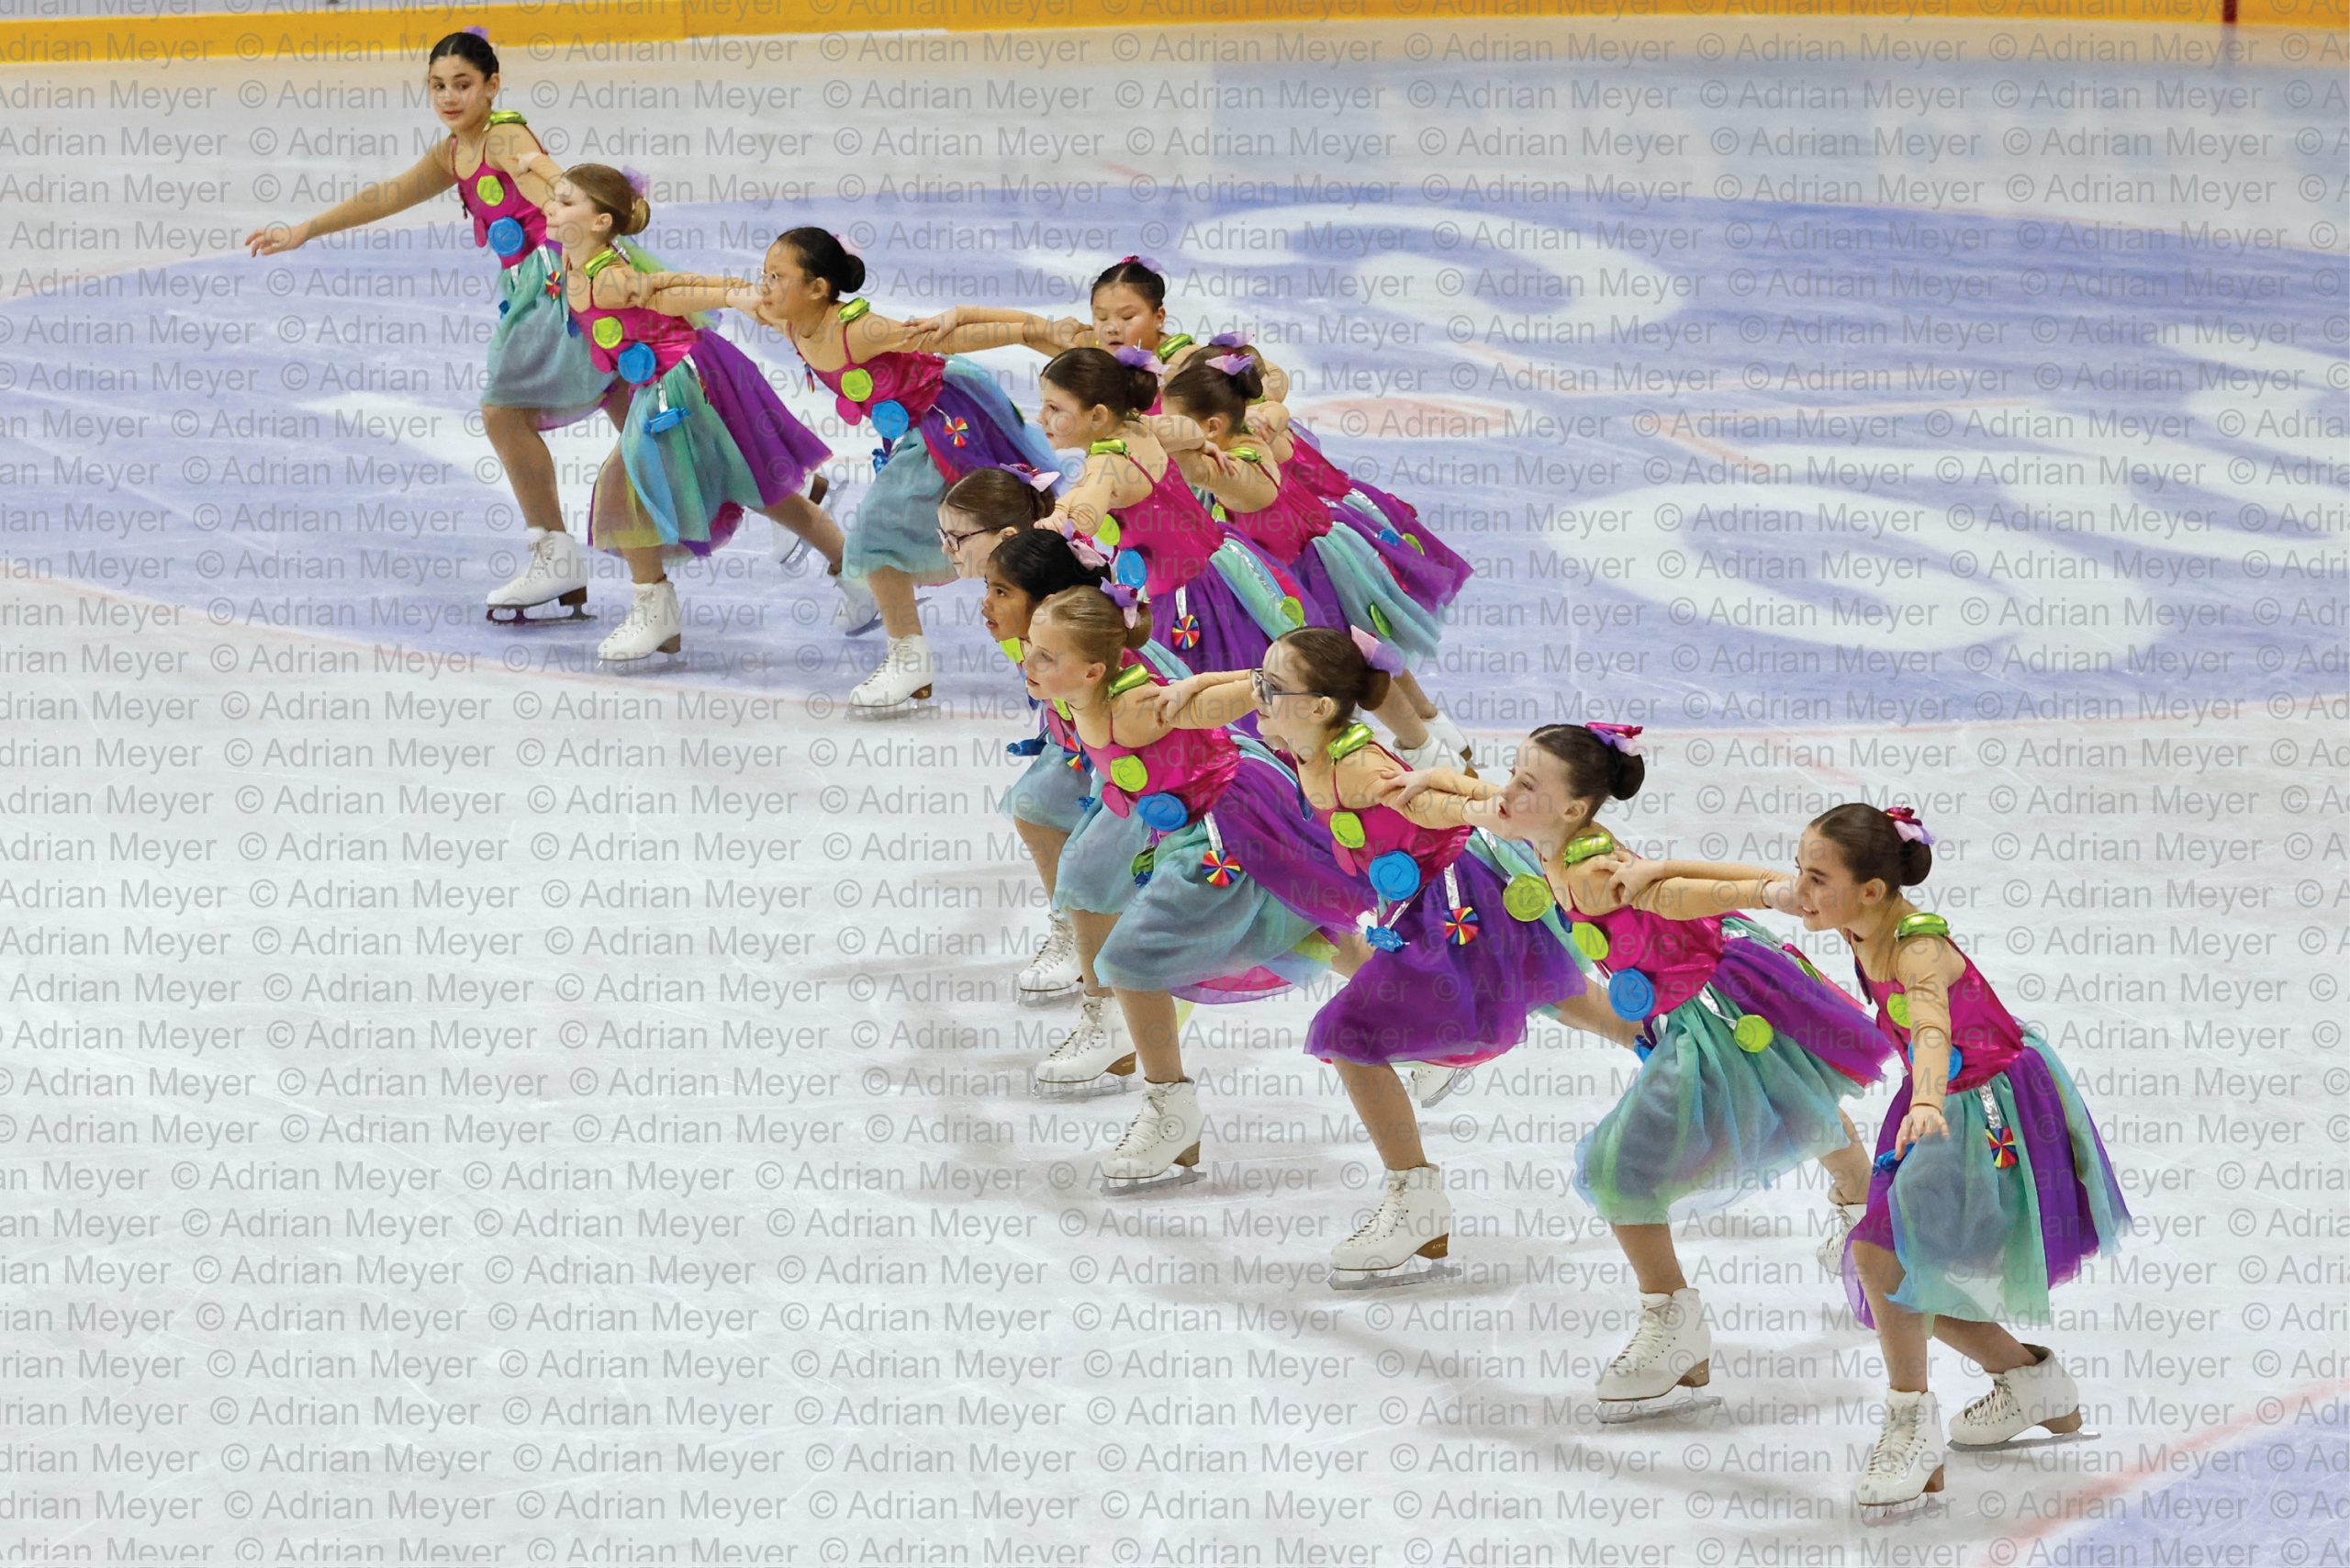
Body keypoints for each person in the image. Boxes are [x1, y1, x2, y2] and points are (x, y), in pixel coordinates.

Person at [1390, 724, 1893, 1417]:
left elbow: (1679, 893)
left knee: (1618, 1169)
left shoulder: (1593, 877)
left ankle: (1672, 1321)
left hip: (1715, 1007)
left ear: (1573, 809)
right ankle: (1863, 1203)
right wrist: (1432, 780)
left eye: (1528, 784)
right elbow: (1481, 798)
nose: (1510, 791)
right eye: (1515, 773)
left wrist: (1770, 891)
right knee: (1786, 1087)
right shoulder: (1540, 828)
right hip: (1708, 988)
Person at [1654, 804, 2130, 1513]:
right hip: (1936, 1106)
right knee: (1898, 1275)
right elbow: (1748, 884)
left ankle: (1914, 1428)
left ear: (1871, 890)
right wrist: (1659, 870)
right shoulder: (1848, 912)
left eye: (1816, 878)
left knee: (1883, 1259)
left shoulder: (1917, 949)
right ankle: (2027, 1379)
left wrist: (1928, 1098)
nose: (1799, 888)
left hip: (1981, 1110)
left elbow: (1932, 1025)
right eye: (1802, 871)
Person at [1019, 586, 1367, 1189]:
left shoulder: (1131, 709)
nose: (1028, 660)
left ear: (1094, 670)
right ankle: (1428, 1010)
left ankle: (1170, 1112)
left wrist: (1254, 686)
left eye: (1047, 655)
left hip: (1223, 829)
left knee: (1130, 962)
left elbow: (1205, 705)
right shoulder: (1080, 688)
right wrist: (1244, 677)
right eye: (1030, 646)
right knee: (1303, 927)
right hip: (1199, 816)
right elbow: (1199, 694)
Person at [722, 228, 1063, 708]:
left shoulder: (857, 330)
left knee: (894, 533)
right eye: (765, 274)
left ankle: (930, 657)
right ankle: (918, 657)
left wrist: (1031, 331)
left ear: (817, 288)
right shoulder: (791, 322)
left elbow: (947, 337)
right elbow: (728, 293)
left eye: (777, 276)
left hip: (949, 421)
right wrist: (649, 286)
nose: (765, 285)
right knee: (921, 537)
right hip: (919, 430)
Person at [542, 167, 854, 661]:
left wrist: (730, 293)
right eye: (554, 198)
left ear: (600, 222)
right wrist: (527, 163)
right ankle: (856, 574)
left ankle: (655, 609)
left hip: (681, 384)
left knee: (624, 485)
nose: (549, 207)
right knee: (755, 484)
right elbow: (660, 279)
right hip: (686, 372)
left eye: (564, 203)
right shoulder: (574, 252)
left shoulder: (609, 277)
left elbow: (666, 291)